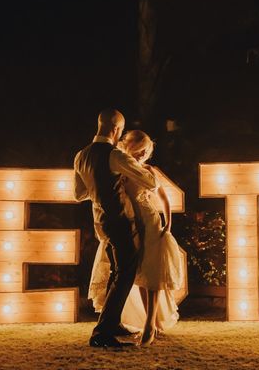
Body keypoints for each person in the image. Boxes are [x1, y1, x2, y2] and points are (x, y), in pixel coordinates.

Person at [88, 130, 183, 346]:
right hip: (130, 223)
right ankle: (148, 322)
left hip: (149, 221)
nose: (141, 155)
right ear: (127, 147)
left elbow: (163, 197)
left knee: (152, 271)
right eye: (138, 150)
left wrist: (168, 222)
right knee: (139, 273)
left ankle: (150, 323)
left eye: (145, 151)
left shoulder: (148, 170)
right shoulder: (119, 170)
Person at [74, 109, 159, 348]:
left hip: (100, 222)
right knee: (126, 273)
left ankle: (111, 323)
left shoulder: (80, 156)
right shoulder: (115, 156)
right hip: (122, 221)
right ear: (116, 130)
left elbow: (79, 194)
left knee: (116, 272)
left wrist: (99, 187)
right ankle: (102, 333)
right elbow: (151, 181)